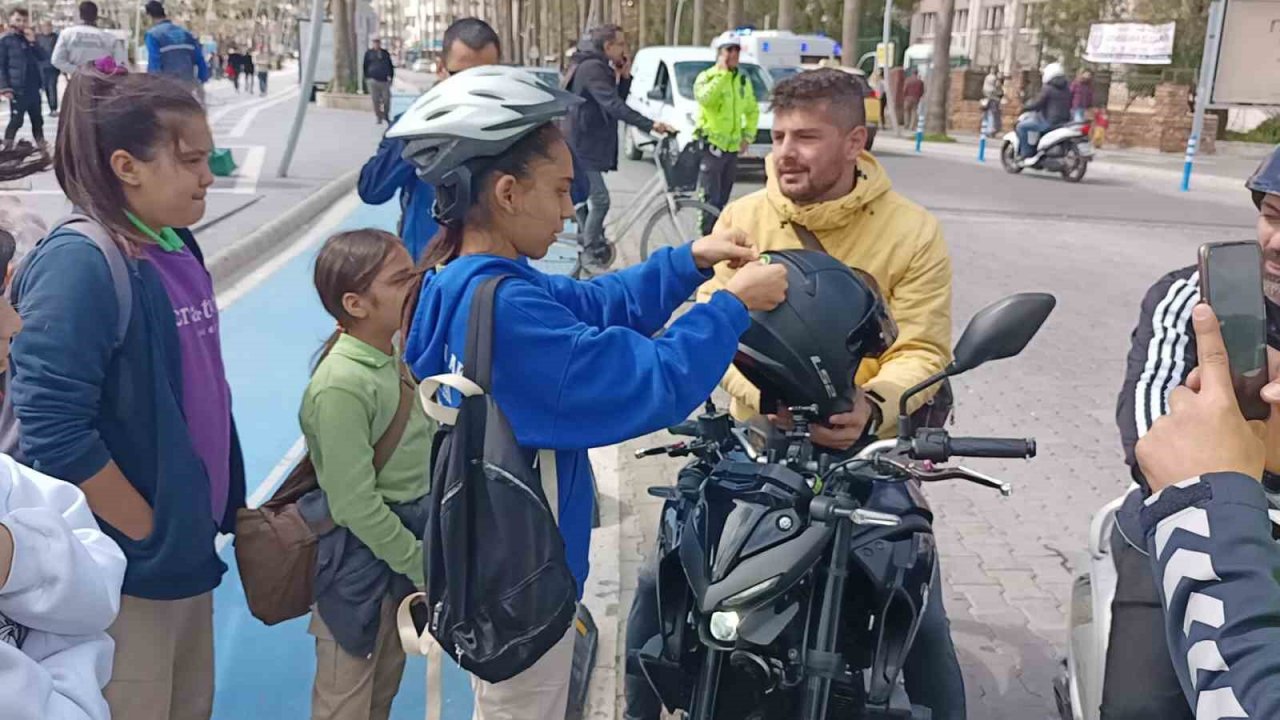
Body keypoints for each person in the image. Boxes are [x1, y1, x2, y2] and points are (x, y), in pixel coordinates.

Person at [394, 64, 787, 718]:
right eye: (560, 188)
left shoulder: (470, 281)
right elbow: (647, 379)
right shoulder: (506, 310)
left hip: (497, 572)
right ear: (508, 192)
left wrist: (688, 259)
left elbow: (594, 303)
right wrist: (731, 307)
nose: (571, 208)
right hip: (523, 587)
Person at [639, 67, 963, 720]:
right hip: (755, 449)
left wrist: (873, 407)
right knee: (662, 584)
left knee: (921, 618)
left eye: (807, 136)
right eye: (779, 134)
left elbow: (923, 349)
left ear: (856, 142)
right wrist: (762, 400)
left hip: (865, 457)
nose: (784, 151)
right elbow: (709, 324)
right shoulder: (745, 218)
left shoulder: (913, 231)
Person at [7, 68, 245, 720]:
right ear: (126, 167)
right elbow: (55, 430)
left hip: (186, 557)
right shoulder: (81, 263)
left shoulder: (175, 246)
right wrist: (146, 532)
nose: (208, 176)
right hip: (127, 575)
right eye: (191, 160)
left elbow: (200, 389)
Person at [1104, 145, 1280, 720]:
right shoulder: (1196, 301)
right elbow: (1154, 436)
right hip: (1189, 517)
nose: (1274, 242)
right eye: (1272, 215)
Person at [302, 230, 434, 720]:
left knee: (379, 698)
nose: (414, 286)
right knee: (346, 704)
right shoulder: (341, 385)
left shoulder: (391, 359)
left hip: (393, 565)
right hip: (358, 569)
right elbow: (354, 503)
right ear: (355, 303)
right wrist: (419, 562)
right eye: (400, 279)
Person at [1126, 302, 1280, 719]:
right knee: (1136, 704)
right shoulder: (1187, 294)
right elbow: (1148, 422)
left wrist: (1204, 494)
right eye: (1275, 228)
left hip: (1212, 508)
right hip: (1188, 504)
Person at [358, 17, 500, 261]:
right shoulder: (413, 123)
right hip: (428, 273)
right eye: (462, 75)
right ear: (441, 69)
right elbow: (373, 189)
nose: (473, 87)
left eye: (484, 76)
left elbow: (573, 189)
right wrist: (420, 130)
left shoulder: (521, 124)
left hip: (498, 274)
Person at [564, 24, 674, 265]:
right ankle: (591, 253)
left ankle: (587, 242)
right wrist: (651, 125)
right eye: (621, 44)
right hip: (581, 145)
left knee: (588, 201)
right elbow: (613, 106)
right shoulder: (593, 68)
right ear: (608, 46)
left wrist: (624, 77)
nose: (625, 49)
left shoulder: (599, 66)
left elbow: (613, 100)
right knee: (601, 200)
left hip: (586, 143)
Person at [693, 33, 759, 235]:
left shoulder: (742, 81)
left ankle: (717, 237)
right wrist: (721, 75)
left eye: (737, 50)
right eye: (728, 50)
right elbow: (706, 100)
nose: (733, 54)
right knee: (709, 199)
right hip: (711, 147)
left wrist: (748, 136)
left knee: (722, 199)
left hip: (731, 150)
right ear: (719, 53)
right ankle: (704, 237)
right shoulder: (708, 77)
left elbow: (752, 110)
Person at [0, 9, 47, 151]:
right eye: (18, 20)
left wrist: (33, 42)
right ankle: (7, 148)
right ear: (11, 20)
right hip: (16, 88)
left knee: (37, 120)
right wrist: (5, 87)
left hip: (33, 87)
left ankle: (42, 148)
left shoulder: (30, 38)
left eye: (24, 20)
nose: (21, 23)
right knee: (16, 120)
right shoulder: (5, 40)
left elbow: (43, 57)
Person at [144, 1, 209, 90]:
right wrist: (202, 80)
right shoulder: (186, 33)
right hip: (188, 86)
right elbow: (199, 59)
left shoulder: (153, 35)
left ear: (149, 16)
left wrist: (152, 86)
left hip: (167, 88)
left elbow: (154, 63)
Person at [50, 2, 127, 77]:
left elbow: (56, 60)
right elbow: (120, 64)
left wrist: (77, 71)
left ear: (80, 15)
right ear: (96, 16)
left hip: (77, 83)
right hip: (103, 83)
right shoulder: (110, 38)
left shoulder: (67, 34)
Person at [1016, 62, 1070, 158]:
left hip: (1049, 121)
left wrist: (1025, 107)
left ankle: (1026, 153)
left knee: (1021, 127)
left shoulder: (1048, 88)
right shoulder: (1067, 89)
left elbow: (1038, 103)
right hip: (1064, 121)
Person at [363, 38, 394, 124]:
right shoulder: (369, 53)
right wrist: (367, 77)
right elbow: (365, 65)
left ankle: (386, 115)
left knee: (386, 99)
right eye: (375, 43)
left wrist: (391, 77)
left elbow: (390, 65)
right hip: (373, 80)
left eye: (378, 43)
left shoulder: (385, 53)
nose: (376, 44)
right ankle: (378, 117)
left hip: (384, 81)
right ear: (372, 44)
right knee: (375, 100)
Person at [34, 22, 55, 116]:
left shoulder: (56, 37)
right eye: (45, 27)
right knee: (43, 88)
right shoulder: (37, 38)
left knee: (51, 87)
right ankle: (37, 109)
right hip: (40, 67)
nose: (47, 29)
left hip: (52, 67)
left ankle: (53, 108)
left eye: (48, 27)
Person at [981, 68, 1003, 136]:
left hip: (987, 98)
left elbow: (984, 89)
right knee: (992, 115)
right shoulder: (995, 79)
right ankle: (990, 130)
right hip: (994, 98)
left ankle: (984, 129)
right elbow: (998, 88)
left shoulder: (987, 78)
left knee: (986, 115)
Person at [902, 67, 924, 131]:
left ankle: (906, 125)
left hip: (907, 98)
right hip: (916, 98)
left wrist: (904, 96)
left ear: (912, 73)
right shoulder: (920, 82)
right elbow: (922, 91)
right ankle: (911, 127)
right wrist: (919, 96)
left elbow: (904, 90)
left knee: (906, 112)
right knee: (914, 112)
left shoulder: (907, 80)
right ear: (917, 73)